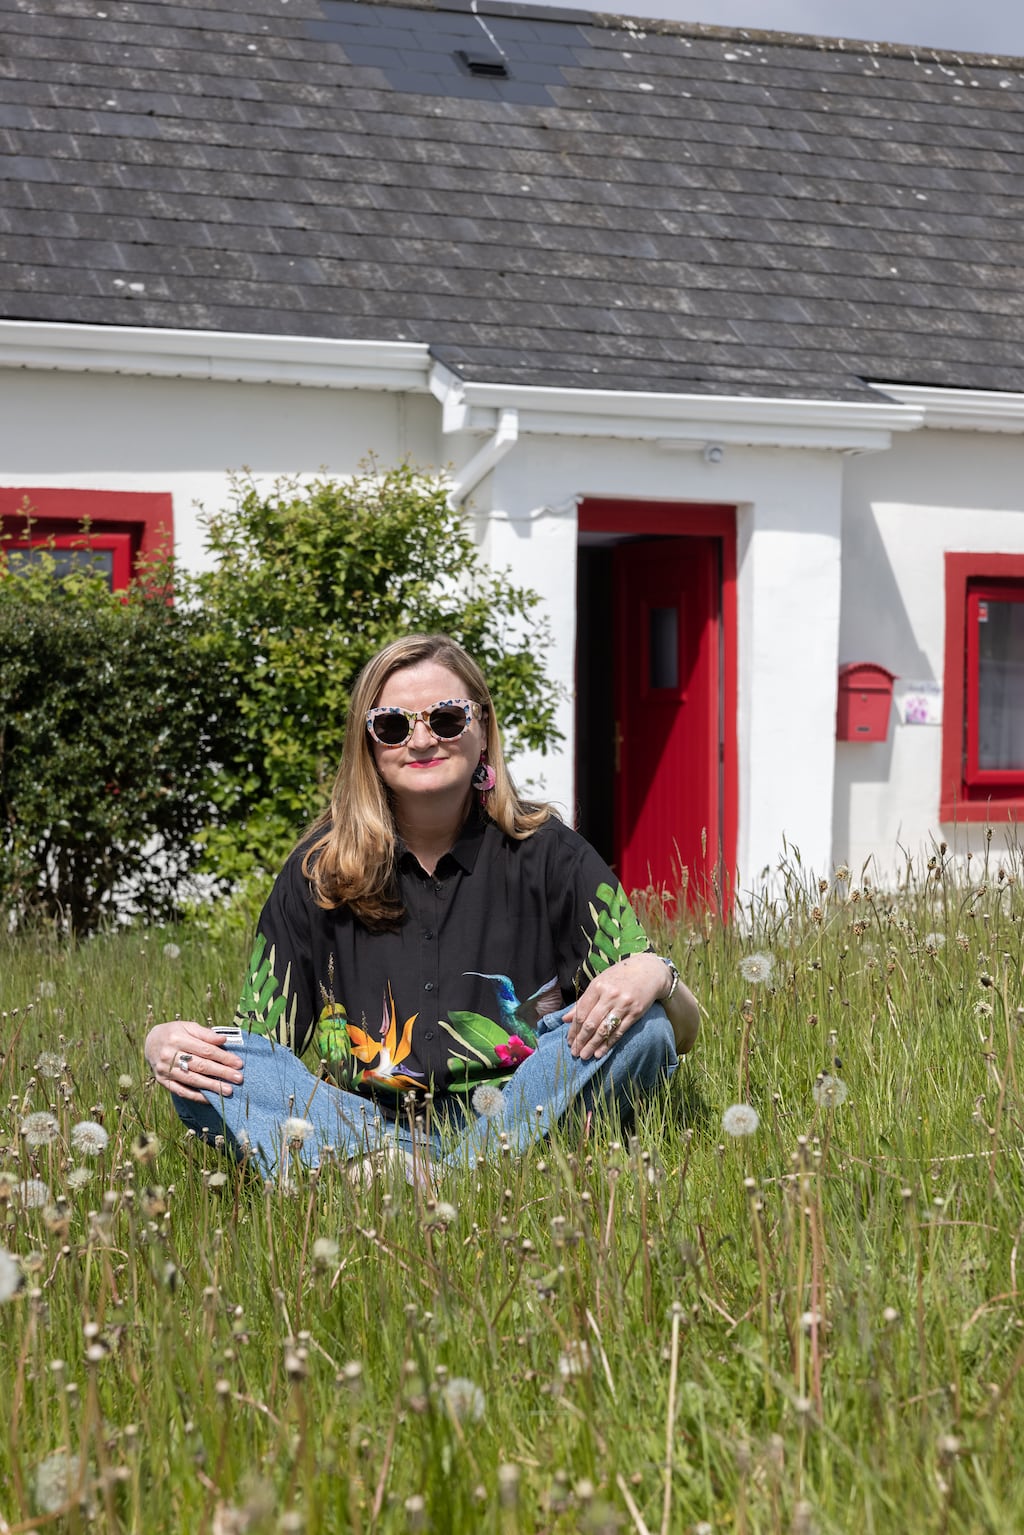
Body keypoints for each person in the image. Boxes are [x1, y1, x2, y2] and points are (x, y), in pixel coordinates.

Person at [145, 634, 699, 1177]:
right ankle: (462, 1174)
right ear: (368, 745)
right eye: (391, 725)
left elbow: (679, 1034)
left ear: (481, 727)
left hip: (524, 1109)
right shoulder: (319, 871)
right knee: (197, 1070)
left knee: (646, 1029)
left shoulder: (553, 854)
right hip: (362, 1123)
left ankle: (407, 1176)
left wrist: (657, 973)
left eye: (447, 719)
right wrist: (165, 1045)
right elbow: (260, 1048)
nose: (422, 740)